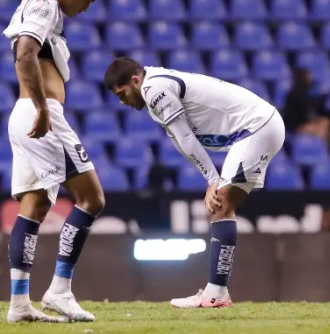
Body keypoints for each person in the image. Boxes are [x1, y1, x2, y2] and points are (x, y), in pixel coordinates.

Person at [104, 57, 285, 308]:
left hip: (256, 128)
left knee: (220, 205)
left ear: (135, 80)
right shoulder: (155, 86)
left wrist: (213, 179)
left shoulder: (153, 88)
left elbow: (187, 137)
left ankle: (216, 294)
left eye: (122, 94)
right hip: (261, 126)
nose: (122, 102)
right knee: (222, 208)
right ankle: (216, 292)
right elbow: (181, 141)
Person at [2, 0, 110, 323]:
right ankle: (60, 290)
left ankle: (19, 304)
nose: (86, 9)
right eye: (88, 1)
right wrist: (43, 110)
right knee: (91, 198)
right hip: (40, 114)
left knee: (34, 207)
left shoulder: (49, 12)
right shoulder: (44, 3)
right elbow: (25, 53)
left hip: (27, 113)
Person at [282, 68, 330, 143]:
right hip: (294, 127)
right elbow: (295, 119)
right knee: (321, 131)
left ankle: (327, 152)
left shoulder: (306, 93)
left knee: (325, 122)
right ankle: (322, 150)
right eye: (308, 77)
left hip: (304, 122)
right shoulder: (293, 96)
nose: (310, 79)